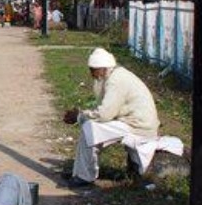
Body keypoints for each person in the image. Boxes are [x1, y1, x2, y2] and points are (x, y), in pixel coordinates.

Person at [64, 47, 160, 188]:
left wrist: (80, 116)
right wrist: (83, 115)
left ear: (102, 68)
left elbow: (104, 114)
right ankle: (80, 172)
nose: (91, 74)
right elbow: (106, 109)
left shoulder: (116, 80)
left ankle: (84, 176)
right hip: (132, 122)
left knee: (90, 128)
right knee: (92, 128)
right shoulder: (115, 75)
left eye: (93, 70)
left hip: (138, 127)